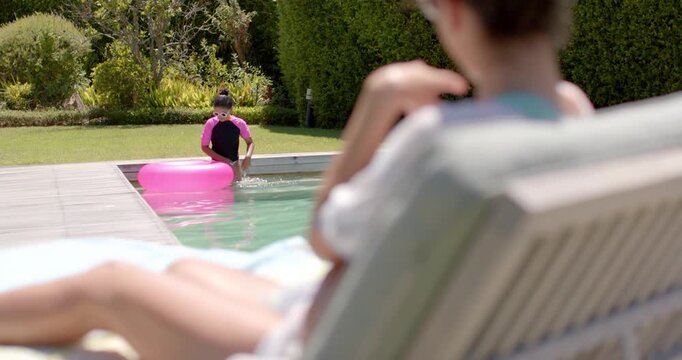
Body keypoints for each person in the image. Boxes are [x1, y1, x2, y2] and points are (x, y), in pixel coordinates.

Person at [0, 0, 577, 358]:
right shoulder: (576, 115)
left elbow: (323, 235)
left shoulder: (443, 141)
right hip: (391, 319)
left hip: (335, 344)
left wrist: (376, 104)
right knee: (184, 266)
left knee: (110, 284)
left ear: (452, 11)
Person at [201, 89, 255, 181]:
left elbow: (250, 142)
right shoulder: (211, 123)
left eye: (223, 114)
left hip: (234, 164)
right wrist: (224, 160)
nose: (219, 117)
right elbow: (204, 147)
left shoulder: (239, 123)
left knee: (236, 190)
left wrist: (248, 156)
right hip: (216, 164)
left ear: (230, 110)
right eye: (216, 113)